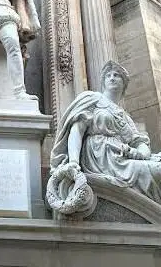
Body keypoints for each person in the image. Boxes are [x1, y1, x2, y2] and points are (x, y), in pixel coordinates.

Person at [50, 60, 161, 203]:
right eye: (108, 75)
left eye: (117, 75)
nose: (112, 77)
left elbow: (139, 142)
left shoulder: (125, 117)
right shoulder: (92, 99)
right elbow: (77, 130)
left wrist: (139, 153)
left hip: (123, 159)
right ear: (103, 82)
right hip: (100, 158)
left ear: (124, 85)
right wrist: (73, 163)